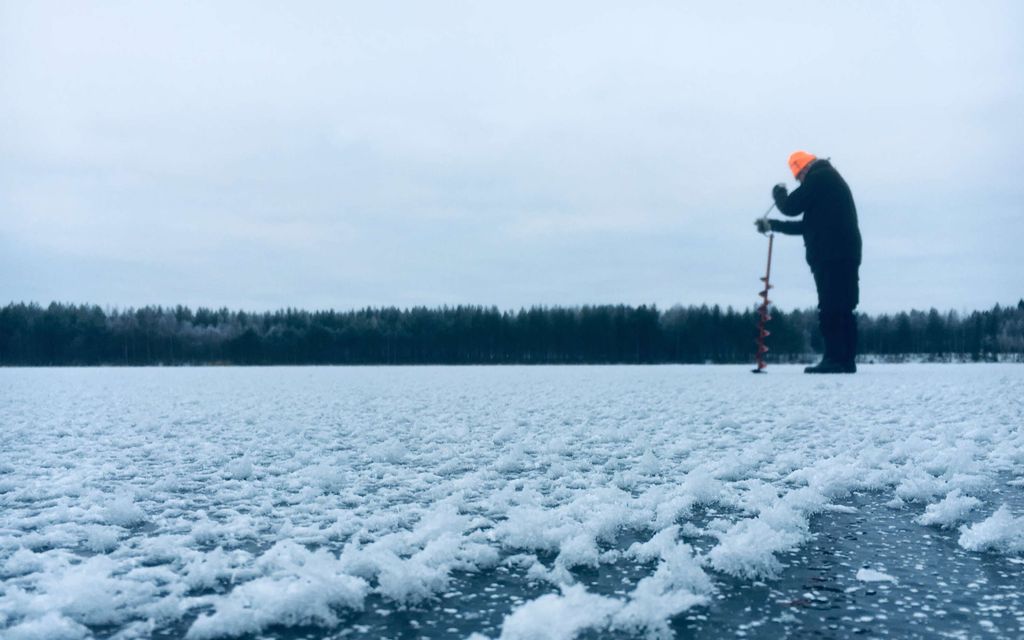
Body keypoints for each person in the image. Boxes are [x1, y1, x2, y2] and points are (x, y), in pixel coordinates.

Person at [755, 151, 862, 373]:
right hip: (845, 252)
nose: (799, 182)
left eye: (798, 178)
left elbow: (791, 206)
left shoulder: (820, 177)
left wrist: (779, 194)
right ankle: (846, 361)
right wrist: (772, 225)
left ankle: (834, 359)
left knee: (831, 307)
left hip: (831, 254)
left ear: (802, 168)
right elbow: (806, 227)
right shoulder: (828, 184)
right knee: (844, 308)